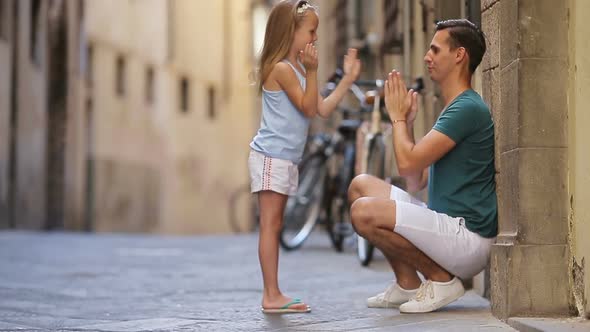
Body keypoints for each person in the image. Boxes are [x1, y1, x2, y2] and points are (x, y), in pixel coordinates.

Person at [348, 19, 496, 314]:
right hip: (445, 225)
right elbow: (416, 180)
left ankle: (442, 280)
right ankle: (408, 284)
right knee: (360, 185)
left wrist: (398, 118)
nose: (428, 57)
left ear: (459, 55)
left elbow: (405, 164)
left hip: (467, 238)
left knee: (363, 212)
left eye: (435, 49)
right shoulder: (454, 108)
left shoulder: (466, 108)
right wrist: (410, 124)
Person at [248, 0, 361, 314]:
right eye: (310, 31)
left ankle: (274, 292)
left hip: (283, 158)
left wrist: (347, 80)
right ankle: (271, 294)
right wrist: (312, 72)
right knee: (271, 225)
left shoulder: (295, 69)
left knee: (276, 223)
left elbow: (322, 108)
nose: (314, 38)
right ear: (291, 31)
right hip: (271, 156)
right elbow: (309, 107)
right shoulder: (282, 69)